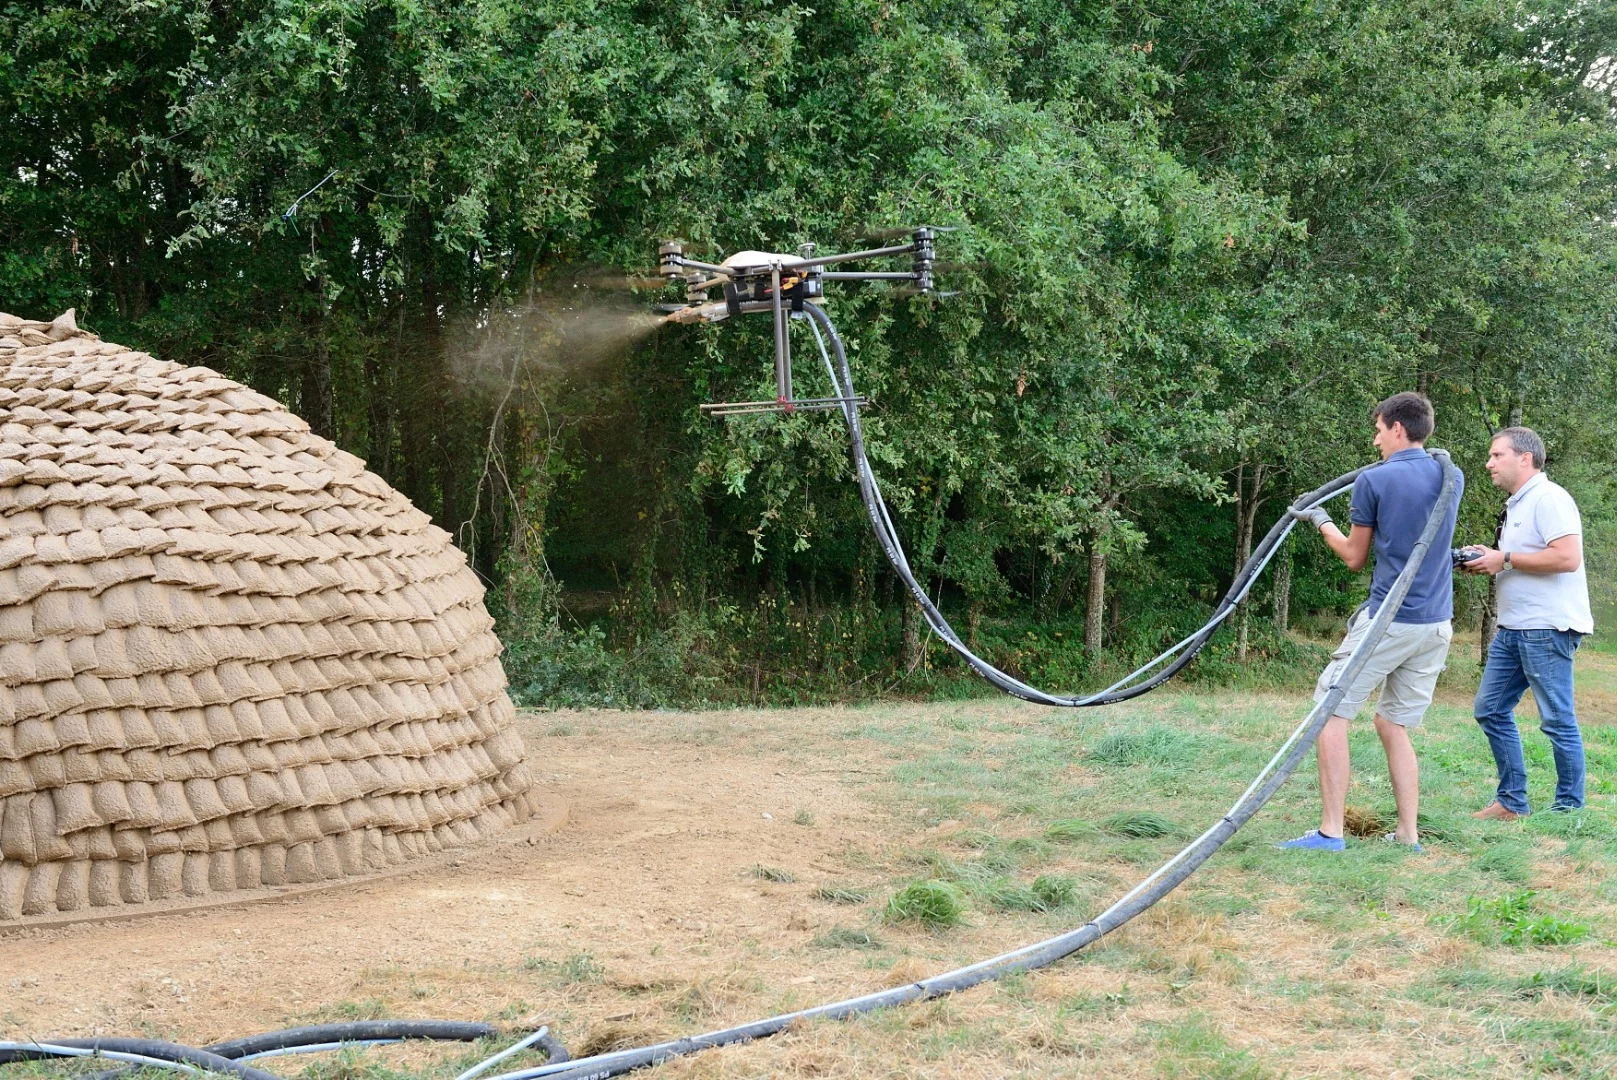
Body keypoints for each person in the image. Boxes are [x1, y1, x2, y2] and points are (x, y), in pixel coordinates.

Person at [1281, 392, 1463, 852]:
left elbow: (1353, 557)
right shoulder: (1450, 475)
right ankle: (1407, 835)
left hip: (1390, 620)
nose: (1376, 438)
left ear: (1398, 429)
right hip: (1436, 623)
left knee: (1330, 711)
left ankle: (1330, 833)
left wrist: (1319, 518)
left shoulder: (1373, 480)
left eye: (1379, 429)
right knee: (1392, 724)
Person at [1460, 427, 1592, 818]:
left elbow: (1568, 558)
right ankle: (1512, 802)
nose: (1489, 463)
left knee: (1556, 719)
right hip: (1514, 628)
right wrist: (1491, 557)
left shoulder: (1550, 499)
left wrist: (1506, 559)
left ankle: (1569, 810)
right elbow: (1517, 556)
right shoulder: (1519, 503)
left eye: (1497, 455)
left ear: (1525, 458)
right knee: (1491, 709)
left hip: (1546, 628)